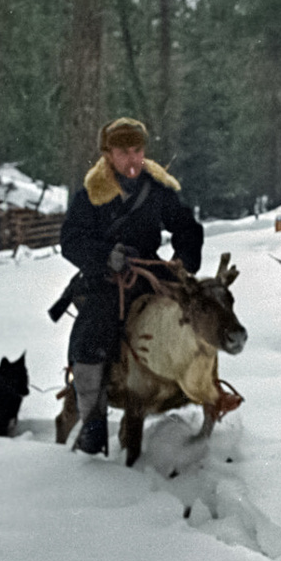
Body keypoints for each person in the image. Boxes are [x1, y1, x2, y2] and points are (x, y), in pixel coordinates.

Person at [59, 117, 204, 455]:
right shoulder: (91, 194)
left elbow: (186, 226)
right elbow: (71, 240)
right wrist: (105, 256)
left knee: (197, 311)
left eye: (137, 150)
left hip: (151, 271)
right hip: (106, 279)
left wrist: (184, 258)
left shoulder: (157, 188)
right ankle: (93, 422)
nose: (133, 159)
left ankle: (199, 385)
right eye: (124, 152)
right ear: (108, 154)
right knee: (90, 336)